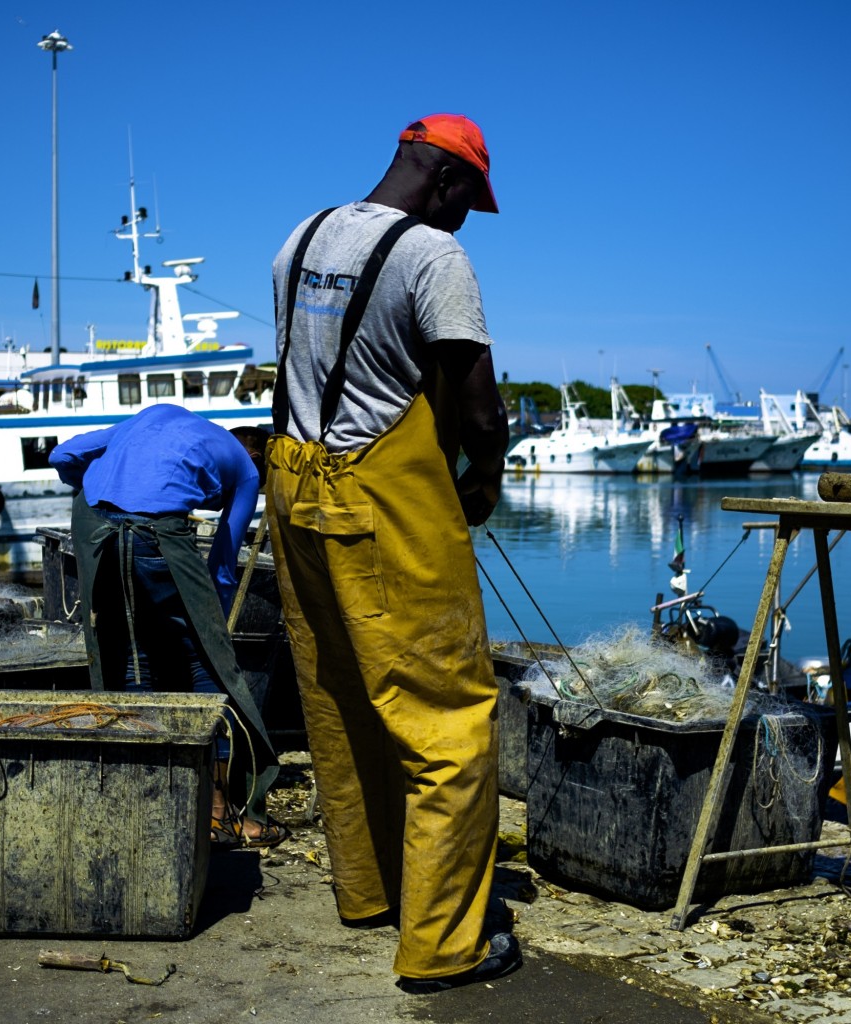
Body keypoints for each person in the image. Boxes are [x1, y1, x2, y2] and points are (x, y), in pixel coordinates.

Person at [265, 113, 517, 993]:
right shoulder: (433, 257)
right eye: (466, 204)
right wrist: (482, 481)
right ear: (447, 180)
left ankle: (370, 892)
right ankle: (446, 944)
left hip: (294, 483)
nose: (463, 223)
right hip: (384, 495)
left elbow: (302, 371)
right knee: (447, 714)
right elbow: (479, 410)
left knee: (341, 694)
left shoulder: (301, 239)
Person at [48, 404, 285, 848]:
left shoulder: (152, 417)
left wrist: (111, 491)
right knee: (205, 666)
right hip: (156, 535)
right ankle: (219, 812)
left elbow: (63, 455)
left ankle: (145, 804)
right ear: (255, 457)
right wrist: (212, 621)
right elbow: (222, 568)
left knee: (133, 660)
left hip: (95, 526)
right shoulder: (247, 470)